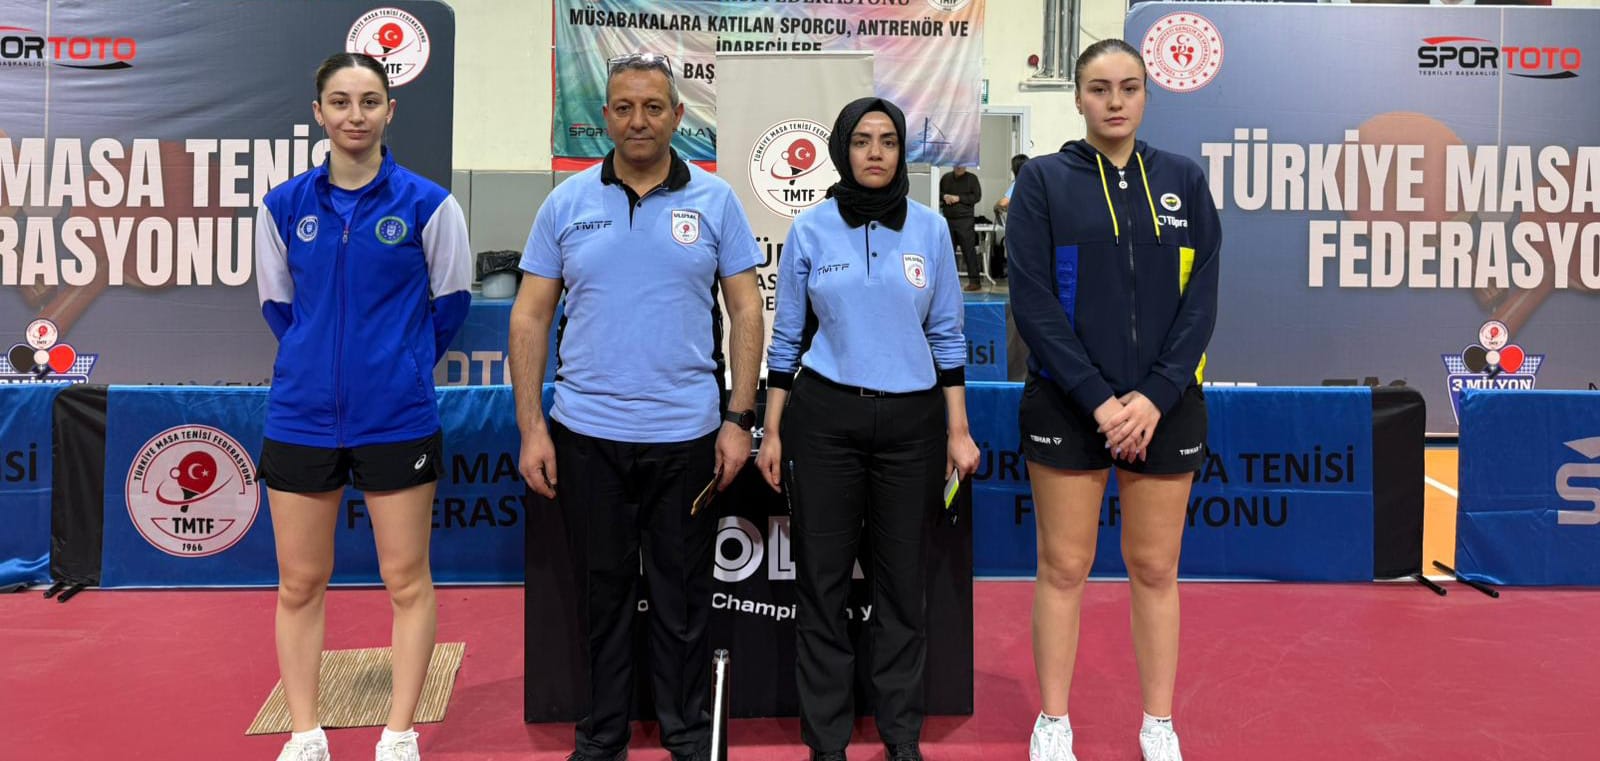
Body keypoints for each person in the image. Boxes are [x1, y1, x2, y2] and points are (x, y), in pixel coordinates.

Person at [508, 51, 765, 761]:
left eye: (653, 107)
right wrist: (531, 427)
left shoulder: (716, 201)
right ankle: (602, 735)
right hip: (586, 436)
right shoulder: (566, 204)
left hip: (688, 438)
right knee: (602, 596)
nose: (638, 120)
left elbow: (747, 311)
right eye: (624, 107)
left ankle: (686, 734)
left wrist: (739, 419)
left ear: (678, 116)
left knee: (683, 601)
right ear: (605, 118)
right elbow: (529, 317)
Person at [1005, 39, 1221, 761]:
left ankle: (1158, 723)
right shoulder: (1043, 182)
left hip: (1166, 407)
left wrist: (1155, 395)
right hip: (1069, 404)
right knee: (1064, 567)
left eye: (1129, 86)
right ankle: (1053, 722)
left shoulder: (1184, 180)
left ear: (1146, 95)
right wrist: (1100, 400)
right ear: (1077, 97)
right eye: (1099, 88)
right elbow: (1034, 304)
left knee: (1156, 569)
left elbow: (1201, 301)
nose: (1115, 101)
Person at [255, 52, 472, 761]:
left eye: (370, 101)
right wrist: (315, 363)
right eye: (342, 102)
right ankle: (306, 733)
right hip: (301, 417)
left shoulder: (430, 205)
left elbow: (451, 304)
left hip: (397, 418)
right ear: (318, 112)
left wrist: (397, 368)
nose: (356, 115)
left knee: (405, 579)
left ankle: (399, 733)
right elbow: (279, 307)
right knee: (299, 582)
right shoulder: (282, 207)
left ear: (390, 111)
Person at [756, 97, 981, 761]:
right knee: (822, 584)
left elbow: (947, 336)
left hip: (913, 426)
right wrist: (773, 430)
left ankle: (901, 735)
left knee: (902, 587)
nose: (875, 152)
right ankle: (827, 741)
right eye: (861, 140)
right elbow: (786, 338)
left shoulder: (931, 230)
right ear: (842, 150)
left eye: (887, 140)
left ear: (901, 150)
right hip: (825, 422)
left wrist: (958, 430)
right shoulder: (810, 229)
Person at [938, 163, 984, 292]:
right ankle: (947, 282)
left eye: (962, 165)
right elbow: (937, 192)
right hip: (947, 219)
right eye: (957, 165)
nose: (959, 167)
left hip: (965, 220)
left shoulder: (972, 178)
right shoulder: (945, 178)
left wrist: (958, 198)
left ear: (966, 166)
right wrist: (944, 196)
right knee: (947, 251)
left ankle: (974, 282)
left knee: (968, 250)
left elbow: (976, 197)